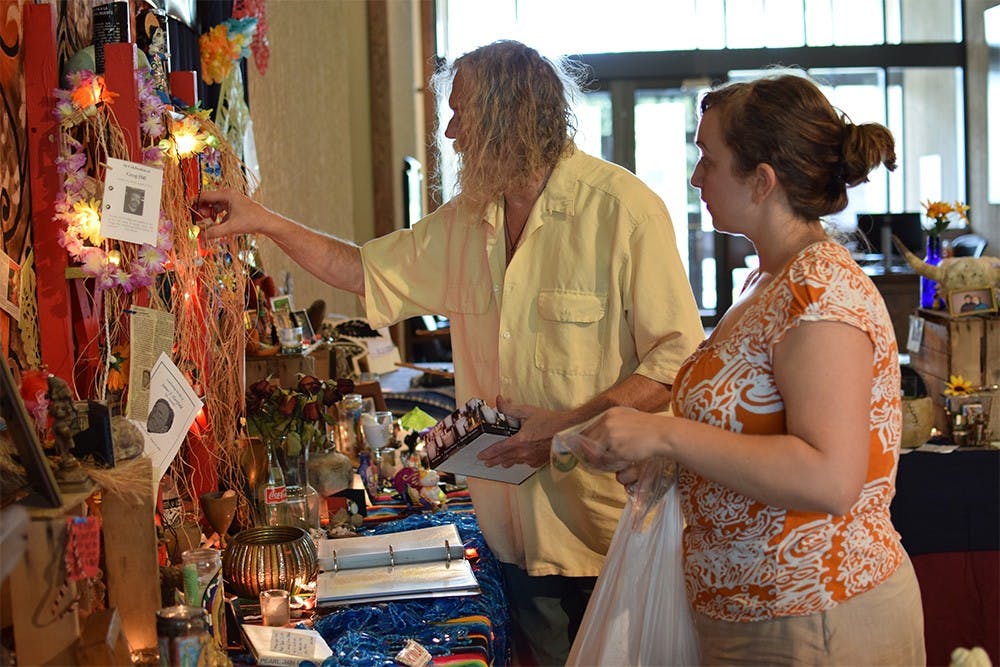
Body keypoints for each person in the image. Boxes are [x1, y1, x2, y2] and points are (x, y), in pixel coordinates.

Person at [197, 39, 703, 665]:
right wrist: (263, 220)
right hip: (513, 528)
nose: (450, 130)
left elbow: (676, 363)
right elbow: (359, 269)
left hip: (607, 527)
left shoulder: (624, 213)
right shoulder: (469, 219)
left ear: (506, 117)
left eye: (461, 112)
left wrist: (566, 425)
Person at [570, 73, 925, 665]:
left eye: (707, 159)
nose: (695, 177)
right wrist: (669, 460)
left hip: (815, 615)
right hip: (754, 611)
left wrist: (665, 432)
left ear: (762, 181)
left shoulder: (820, 291)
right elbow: (752, 436)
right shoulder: (765, 280)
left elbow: (828, 477)